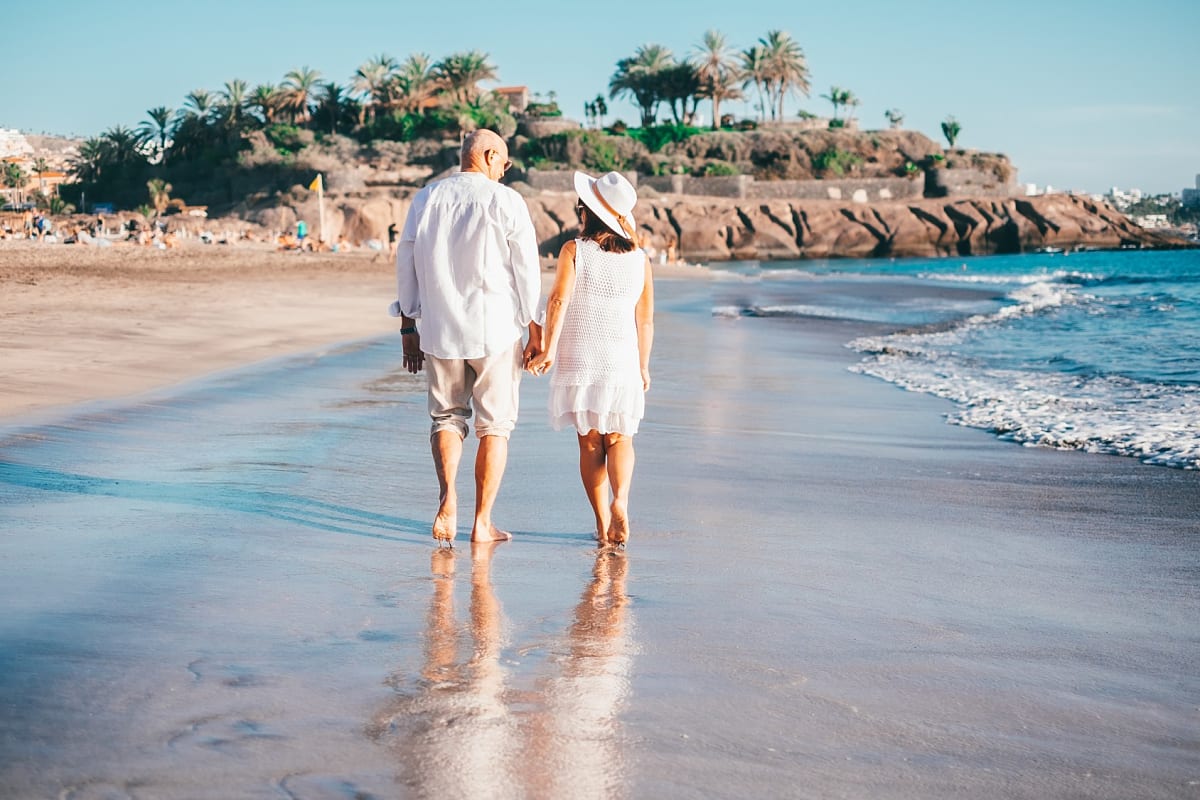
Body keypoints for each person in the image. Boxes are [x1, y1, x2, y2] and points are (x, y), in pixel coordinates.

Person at [390, 129, 542, 547]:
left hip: (439, 329)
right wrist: (536, 328)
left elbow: (406, 260)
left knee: (446, 418)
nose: (504, 171)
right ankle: (482, 523)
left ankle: (447, 497)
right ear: (490, 156)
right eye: (505, 163)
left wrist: (408, 325)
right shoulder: (505, 200)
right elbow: (526, 269)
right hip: (495, 330)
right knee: (495, 426)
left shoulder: (426, 198)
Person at [526, 171, 654, 549]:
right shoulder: (640, 259)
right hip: (622, 358)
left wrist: (548, 348)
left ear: (588, 212)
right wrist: (643, 366)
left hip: (581, 355)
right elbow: (645, 319)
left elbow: (558, 301)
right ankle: (621, 501)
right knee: (620, 437)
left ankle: (601, 526)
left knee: (591, 444)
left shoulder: (574, 250)